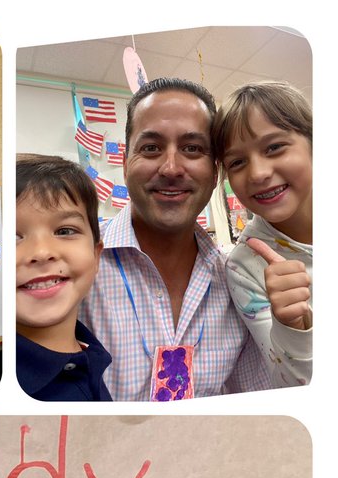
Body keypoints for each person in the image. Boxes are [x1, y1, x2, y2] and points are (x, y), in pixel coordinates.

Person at [79, 77, 271, 401]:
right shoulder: (74, 268)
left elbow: (257, 404)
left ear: (214, 171)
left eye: (192, 149)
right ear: (126, 162)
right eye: (151, 148)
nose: (170, 167)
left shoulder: (239, 281)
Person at [213, 81, 312, 388]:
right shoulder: (246, 266)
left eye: (274, 147)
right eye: (237, 162)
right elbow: (292, 388)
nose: (257, 173)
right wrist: (292, 326)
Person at [15, 156, 112, 401]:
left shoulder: (92, 353)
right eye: (12, 236)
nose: (41, 252)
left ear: (96, 254)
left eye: (65, 231)